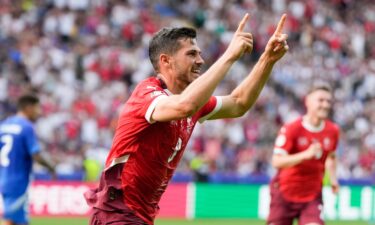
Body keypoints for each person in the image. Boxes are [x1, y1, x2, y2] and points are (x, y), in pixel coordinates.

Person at [85, 13, 289, 225]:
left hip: (138, 217)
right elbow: (185, 106)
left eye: (199, 54)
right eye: (191, 54)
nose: (200, 60)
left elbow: (239, 103)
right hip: (117, 214)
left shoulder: (192, 103)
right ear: (166, 61)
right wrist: (230, 55)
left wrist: (267, 59)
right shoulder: (146, 94)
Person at [267, 83, 340, 225]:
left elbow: (331, 156)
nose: (325, 105)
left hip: (312, 197)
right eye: (321, 100)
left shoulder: (333, 131)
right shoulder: (292, 128)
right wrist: (305, 155)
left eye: (328, 101)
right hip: (284, 193)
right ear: (308, 101)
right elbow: (276, 161)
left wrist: (333, 178)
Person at [0, 94, 56, 225]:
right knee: (18, 221)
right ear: (28, 107)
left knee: (12, 219)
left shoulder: (4, 125)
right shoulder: (26, 127)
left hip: (4, 179)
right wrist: (51, 167)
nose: (39, 112)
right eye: (37, 108)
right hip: (18, 182)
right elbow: (36, 154)